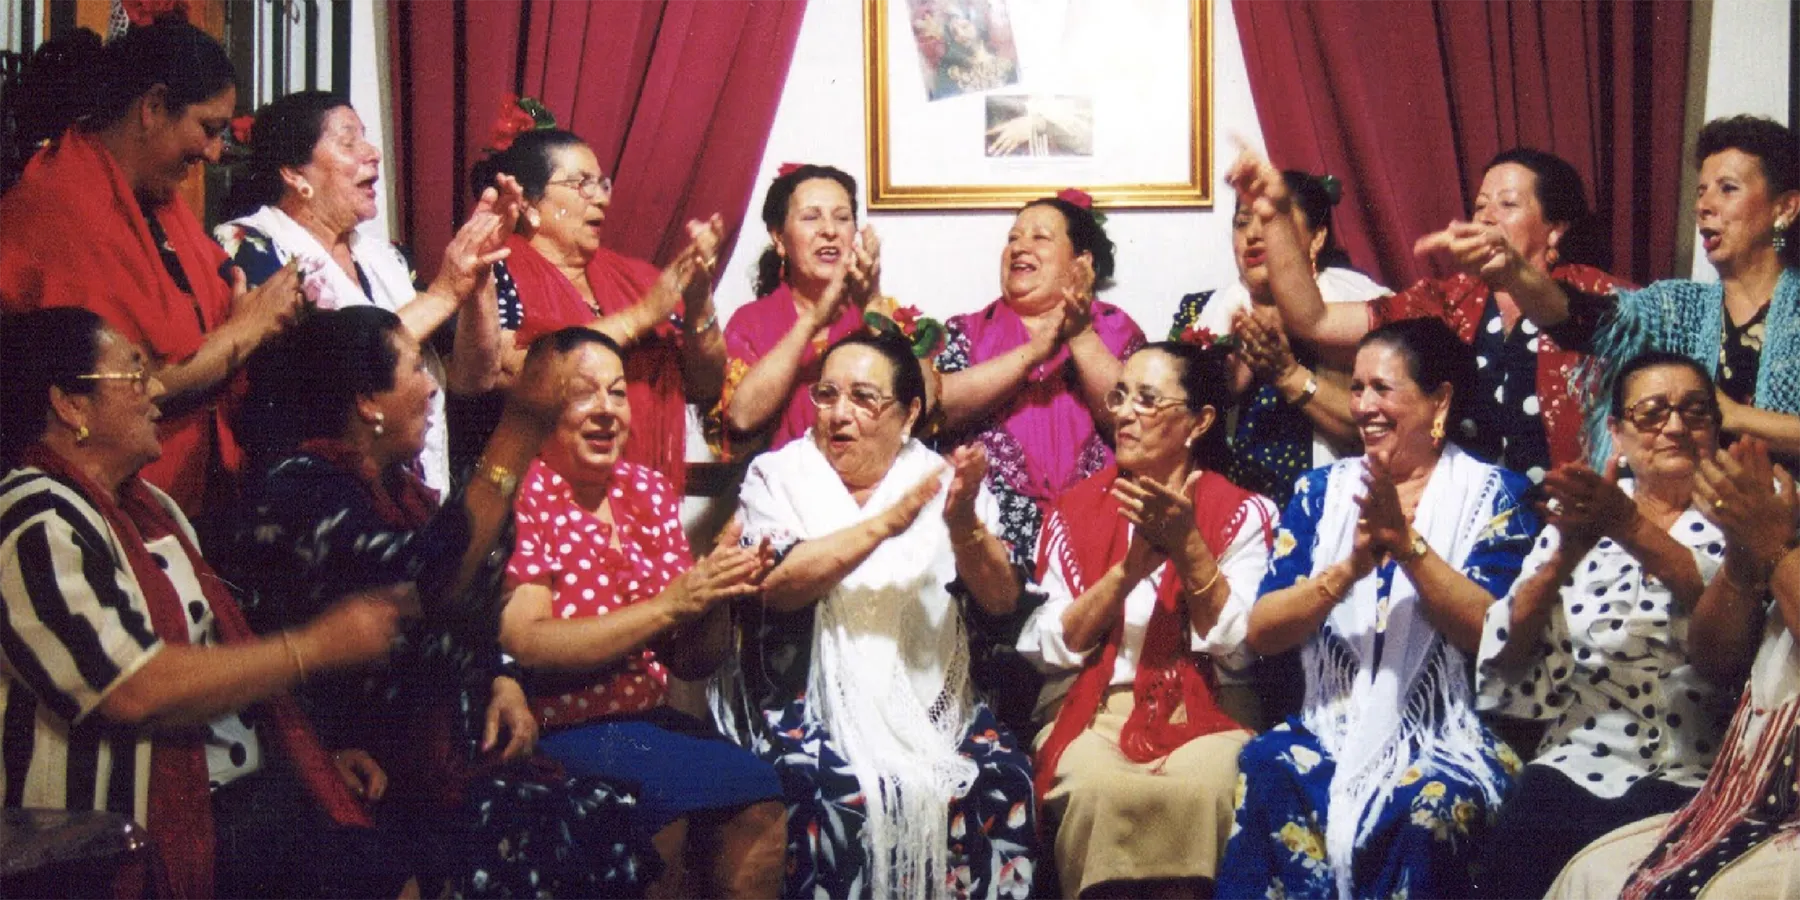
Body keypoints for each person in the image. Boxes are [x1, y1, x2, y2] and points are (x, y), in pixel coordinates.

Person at [222, 307, 658, 898]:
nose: (432, 386)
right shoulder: (298, 491)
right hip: (359, 772)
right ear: (366, 401)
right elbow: (432, 581)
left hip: (438, 759)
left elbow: (473, 615)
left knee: (611, 824)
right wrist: (519, 428)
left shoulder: (401, 489)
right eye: (412, 369)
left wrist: (502, 679)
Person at [0, 307, 411, 900]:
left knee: (385, 828)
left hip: (231, 792)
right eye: (134, 377)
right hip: (114, 838)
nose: (154, 396)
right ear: (70, 404)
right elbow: (134, 688)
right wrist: (313, 647)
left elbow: (217, 664)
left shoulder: (152, 510)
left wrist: (308, 756)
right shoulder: (34, 523)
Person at [1216, 318, 1540, 900]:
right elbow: (1263, 632)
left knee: (1427, 808)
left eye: (1381, 388)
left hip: (1449, 734)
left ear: (1439, 400)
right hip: (1330, 723)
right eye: (1357, 387)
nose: (1363, 405)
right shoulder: (1319, 494)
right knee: (1267, 764)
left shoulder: (1499, 497)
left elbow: (1492, 632)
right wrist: (1349, 571)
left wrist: (1408, 548)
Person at [729, 331, 1038, 899]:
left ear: (909, 412)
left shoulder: (945, 482)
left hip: (934, 711)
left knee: (1001, 779)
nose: (839, 414)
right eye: (827, 395)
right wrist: (883, 525)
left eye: (864, 398)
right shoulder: (778, 476)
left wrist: (965, 525)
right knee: (828, 790)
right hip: (804, 701)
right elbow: (775, 587)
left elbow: (1000, 599)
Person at [497, 328, 787, 900]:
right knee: (664, 813)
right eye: (583, 394)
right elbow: (527, 640)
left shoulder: (646, 491)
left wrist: (713, 596)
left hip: (648, 722)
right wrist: (669, 604)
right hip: (560, 725)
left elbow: (690, 663)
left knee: (761, 795)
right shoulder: (521, 493)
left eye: (617, 392)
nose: (606, 411)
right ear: (537, 404)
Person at [1473, 352, 1759, 900]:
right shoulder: (1588, 510)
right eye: (1652, 413)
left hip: (1701, 771)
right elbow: (1508, 657)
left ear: (1716, 428)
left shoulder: (1746, 511)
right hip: (1579, 758)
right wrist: (1561, 559)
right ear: (1617, 433)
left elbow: (1731, 638)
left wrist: (1627, 528)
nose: (1675, 426)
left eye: (1695, 411)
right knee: (1522, 839)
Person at [0, 21, 305, 517]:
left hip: (185, 498)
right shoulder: (58, 207)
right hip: (88, 509)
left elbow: (225, 304)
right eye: (208, 128)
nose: (212, 151)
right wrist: (246, 329)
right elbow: (126, 388)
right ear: (153, 107)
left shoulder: (156, 199)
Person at [1019, 340, 1275, 900]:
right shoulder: (1072, 510)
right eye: (1122, 396)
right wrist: (1126, 574)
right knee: (1095, 787)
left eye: (1148, 399)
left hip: (1210, 707)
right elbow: (1044, 645)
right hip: (1095, 708)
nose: (1126, 413)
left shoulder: (1242, 512)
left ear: (1199, 421)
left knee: (1209, 785)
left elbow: (1239, 649)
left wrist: (1190, 549)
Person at [1230, 147, 1630, 483]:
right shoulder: (1453, 298)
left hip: (1572, 524)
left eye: (1507, 205)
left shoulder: (1597, 294)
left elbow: (1573, 321)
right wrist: (1276, 216)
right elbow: (1314, 321)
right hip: (1470, 520)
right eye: (1479, 206)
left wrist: (1516, 272)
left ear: (1555, 230)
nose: (1487, 217)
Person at [214, 90, 522, 496]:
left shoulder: (387, 257)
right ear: (293, 173)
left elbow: (472, 377)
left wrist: (479, 275)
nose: (372, 152)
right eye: (348, 142)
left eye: (366, 138)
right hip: (319, 498)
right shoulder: (249, 245)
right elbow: (333, 369)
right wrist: (445, 293)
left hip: (414, 498)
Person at [1543, 436, 1800, 899]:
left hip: (1776, 811)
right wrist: (1744, 558)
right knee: (1588, 874)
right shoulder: (1783, 507)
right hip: (1738, 796)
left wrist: (1772, 546)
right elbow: (1718, 661)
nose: (1674, 427)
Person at [933, 190, 1146, 731]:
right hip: (992, 545)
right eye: (1012, 237)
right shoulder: (966, 330)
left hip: (1095, 538)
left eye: (1039, 236)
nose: (1019, 246)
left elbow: (1131, 418)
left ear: (1082, 265)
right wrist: (1034, 350)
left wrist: (1075, 336)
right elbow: (936, 407)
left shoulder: (1116, 329)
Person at [469, 103, 727, 496]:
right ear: (527, 202)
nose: (602, 199)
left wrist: (698, 301)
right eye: (580, 184)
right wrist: (640, 317)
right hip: (538, 500)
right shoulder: (497, 266)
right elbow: (509, 371)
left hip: (641, 499)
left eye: (602, 184)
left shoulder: (636, 277)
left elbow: (705, 385)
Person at [1529, 116, 1800, 468]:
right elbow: (1581, 320)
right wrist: (1511, 272)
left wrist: (1732, 415)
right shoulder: (1677, 308)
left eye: (1728, 188)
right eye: (1701, 191)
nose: (1703, 206)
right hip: (1686, 515)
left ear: (1785, 208)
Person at [1168, 169, 1387, 505]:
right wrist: (1220, 388)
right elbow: (1169, 426)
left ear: (1316, 239)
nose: (1253, 235)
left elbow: (1381, 430)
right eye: (1242, 222)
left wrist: (1288, 375)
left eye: (1272, 222)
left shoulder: (1360, 310)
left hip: (1328, 508)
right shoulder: (1201, 311)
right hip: (1225, 513)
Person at [721, 163, 882, 457]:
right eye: (811, 217)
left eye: (842, 218)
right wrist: (813, 321)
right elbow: (741, 417)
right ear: (779, 238)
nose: (830, 231)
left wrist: (872, 301)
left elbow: (924, 400)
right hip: (779, 493)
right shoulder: (750, 323)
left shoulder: (876, 313)